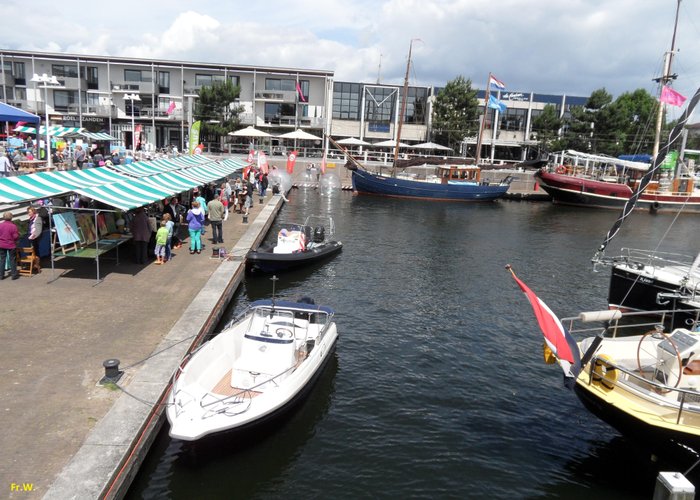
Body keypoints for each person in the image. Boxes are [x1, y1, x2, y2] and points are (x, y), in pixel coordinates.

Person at [0, 211, 20, 280]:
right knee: (13, 260)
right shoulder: (13, 226)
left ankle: (1, 275)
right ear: (11, 217)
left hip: (2, 244)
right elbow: (16, 237)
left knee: (2, 260)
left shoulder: (0, 225)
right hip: (11, 245)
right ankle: (14, 275)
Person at [27, 206, 43, 273]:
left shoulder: (38, 218)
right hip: (31, 237)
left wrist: (34, 236)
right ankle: (34, 265)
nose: (28, 213)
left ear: (33, 212)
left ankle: (37, 265)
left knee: (36, 251)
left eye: (29, 212)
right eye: (28, 212)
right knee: (32, 251)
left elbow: (39, 229)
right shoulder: (31, 219)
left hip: (35, 238)